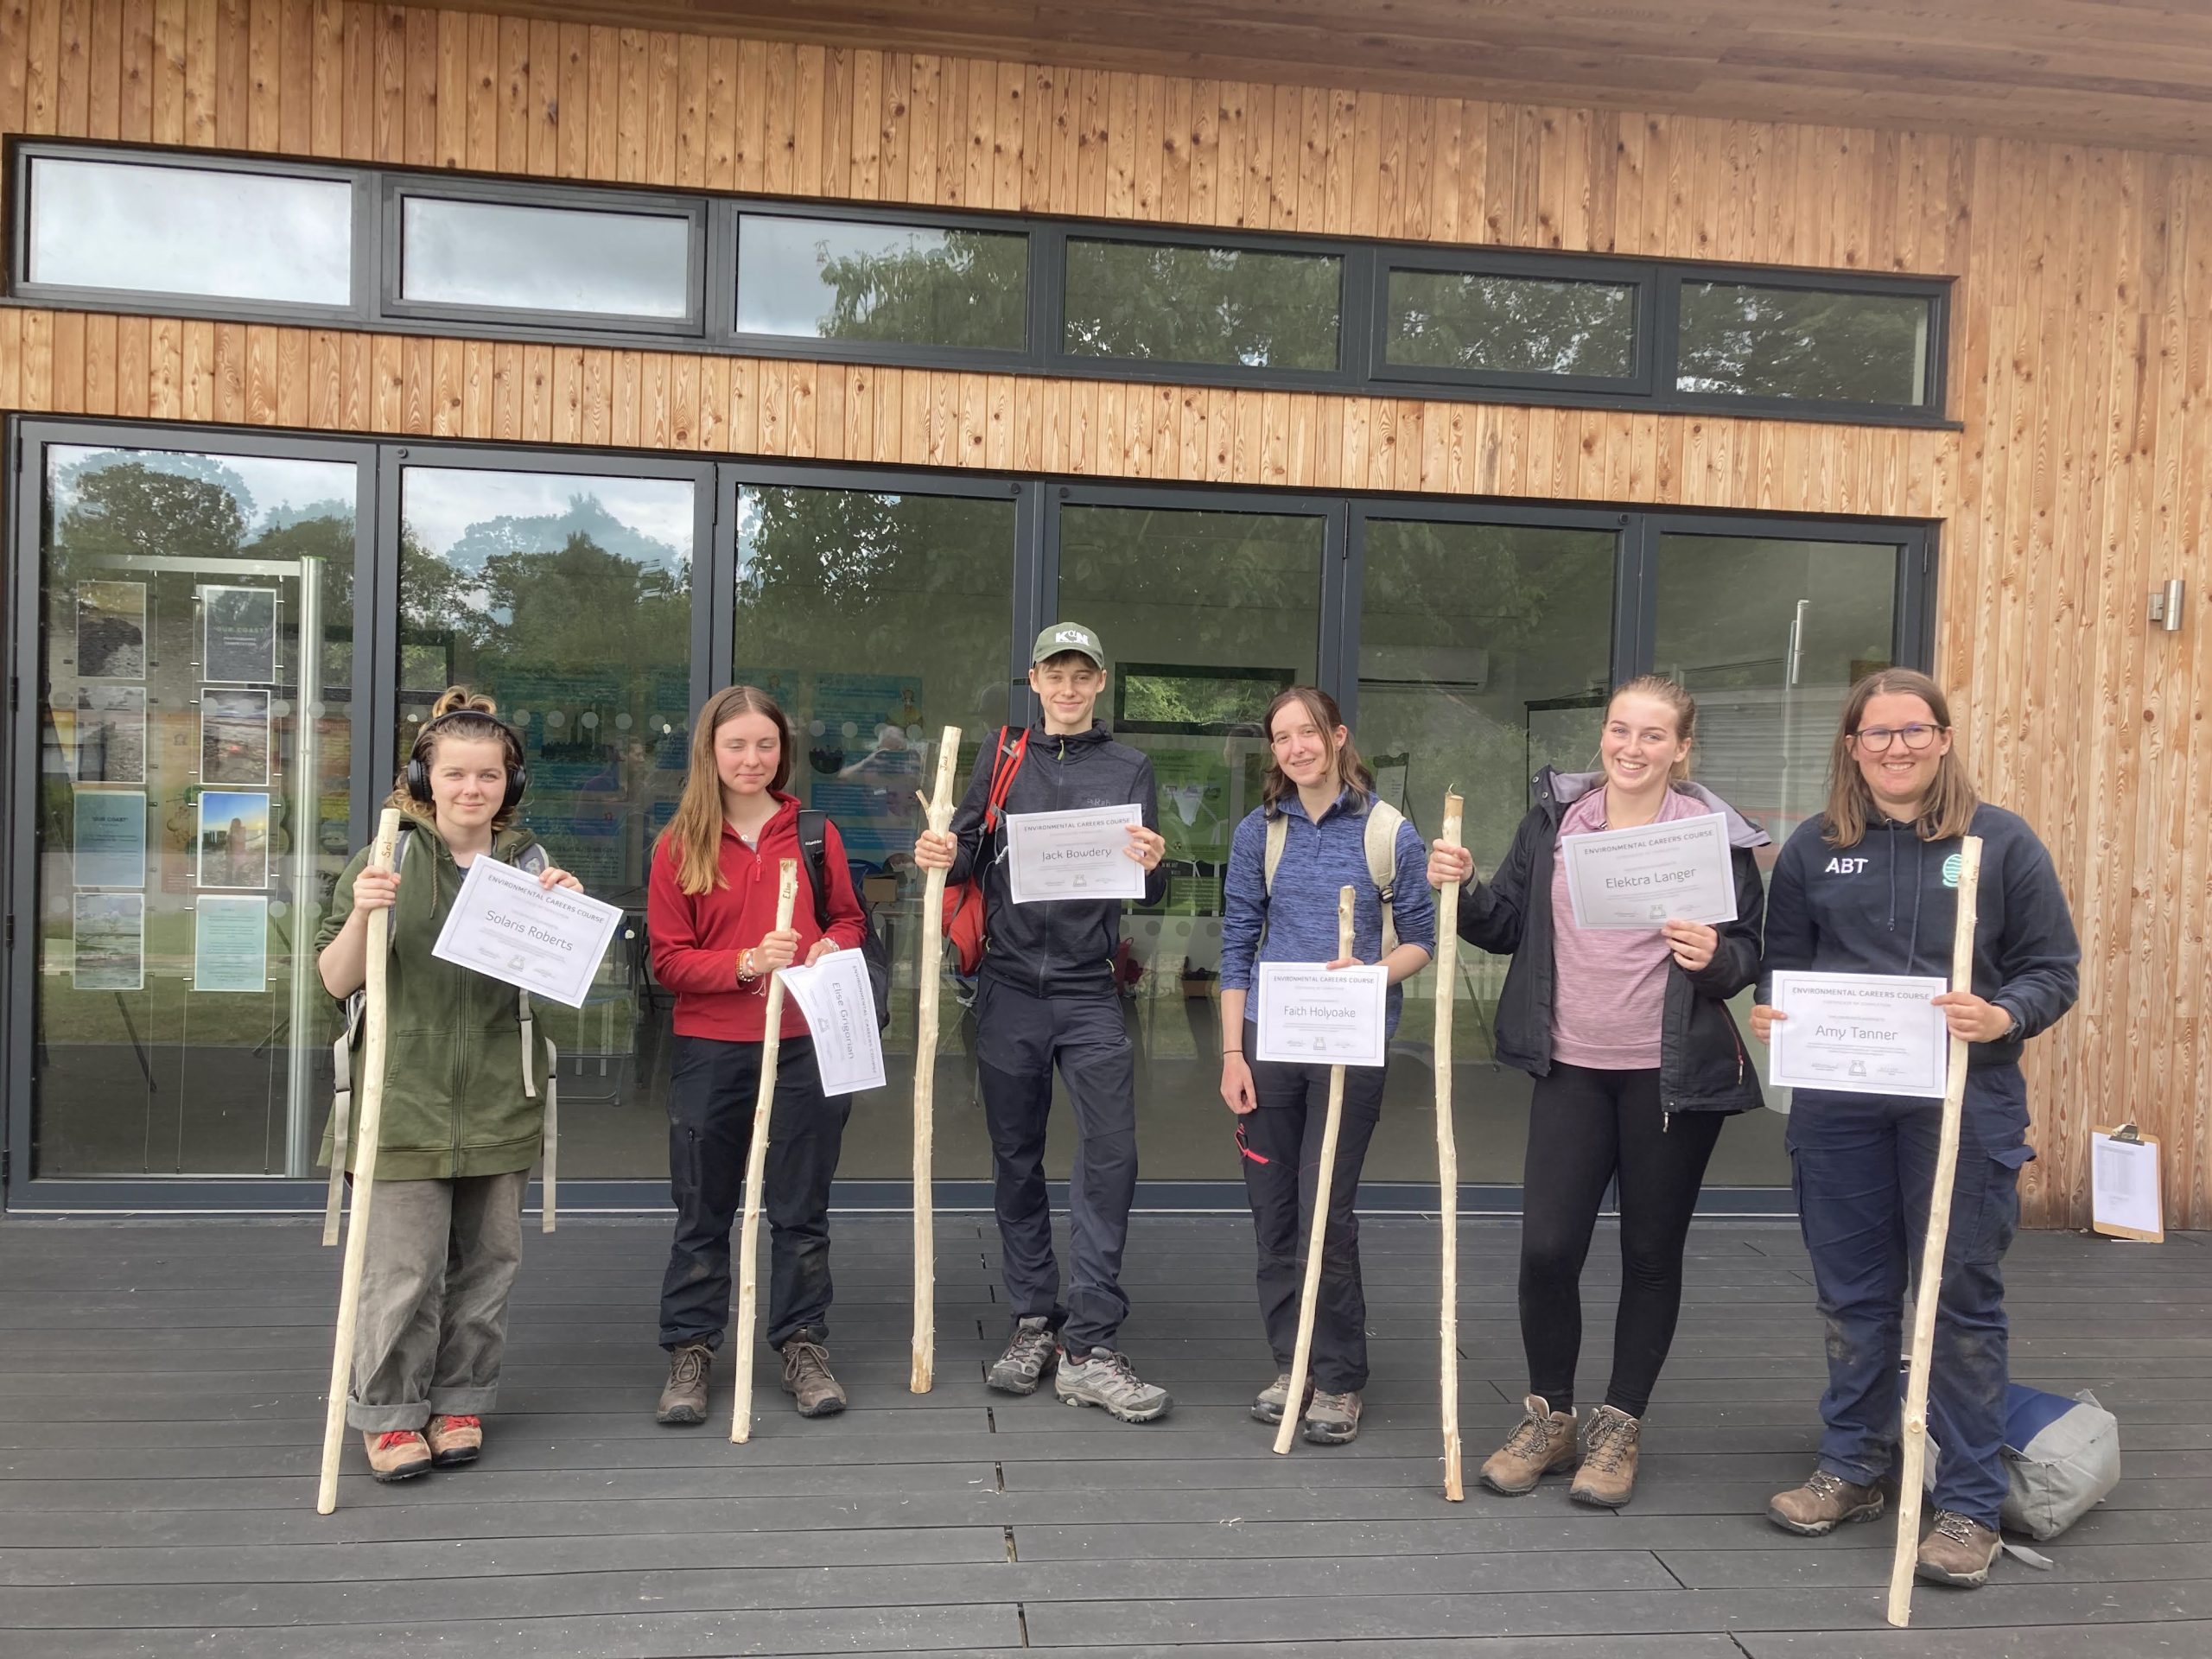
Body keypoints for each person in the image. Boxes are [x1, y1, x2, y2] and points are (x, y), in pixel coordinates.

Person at [1752, 669, 2078, 1587]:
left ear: (1941, 737)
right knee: (1851, 1295)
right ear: (1852, 747)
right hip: (1840, 1108)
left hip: (1962, 1108)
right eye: (1876, 733)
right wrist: (1776, 1014)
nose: (1895, 748)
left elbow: (2053, 968)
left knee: (1956, 1301)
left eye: (1912, 730)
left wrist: (2001, 1014)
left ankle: (1968, 1503)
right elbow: (1783, 968)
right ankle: (1854, 1465)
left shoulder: (2001, 842)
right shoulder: (1814, 848)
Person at [1427, 676, 1768, 1508]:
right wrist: (1461, 889)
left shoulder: (1710, 837)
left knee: (1649, 1255)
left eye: (1654, 736)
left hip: (1669, 1077)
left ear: (1682, 749)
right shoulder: (1558, 821)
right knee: (1548, 1249)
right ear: (1603, 737)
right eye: (1621, 730)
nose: (1632, 748)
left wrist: (1712, 958)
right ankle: (1551, 1415)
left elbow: (1748, 953)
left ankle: (1619, 1424)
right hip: (1571, 1064)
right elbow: (1504, 925)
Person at [315, 687, 582, 1482]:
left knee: (489, 1264)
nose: (473, 789)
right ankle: (391, 1412)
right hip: (401, 1099)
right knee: (401, 1269)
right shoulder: (388, 854)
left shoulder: (527, 867)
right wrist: (366, 913)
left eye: (489, 775)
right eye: (456, 773)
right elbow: (335, 981)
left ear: (512, 784)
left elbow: (560, 984)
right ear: (423, 777)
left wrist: (562, 917)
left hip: (503, 1095)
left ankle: (462, 1397)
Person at [912, 622, 1173, 1422]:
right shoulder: (1002, 757)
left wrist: (1155, 863)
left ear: (1100, 683)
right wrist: (935, 849)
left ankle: (1089, 1340)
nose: (1067, 688)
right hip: (1009, 990)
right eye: (1054, 674)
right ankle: (1034, 1319)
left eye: (1081, 675)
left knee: (1110, 1157)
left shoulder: (1131, 766)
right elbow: (962, 855)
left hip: (1092, 992)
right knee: (1016, 1158)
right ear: (1034, 680)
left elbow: (1151, 894)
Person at [1217, 687, 1434, 1446]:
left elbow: (1421, 939)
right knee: (1274, 1211)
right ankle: (1293, 1363)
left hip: (1349, 1045)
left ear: (1338, 737)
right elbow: (1237, 941)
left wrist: (1370, 974)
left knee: (1324, 1213)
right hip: (1269, 1047)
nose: (1296, 748)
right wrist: (1231, 1052)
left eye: (1308, 733)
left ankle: (1339, 1379)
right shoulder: (1260, 831)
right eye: (1281, 738)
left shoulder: (1388, 833)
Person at [648, 685, 868, 1426]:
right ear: (710, 751)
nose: (751, 758)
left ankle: (802, 1343)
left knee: (802, 1208)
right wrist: (745, 961)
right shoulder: (680, 843)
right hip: (713, 1049)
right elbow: (668, 963)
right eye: (736, 745)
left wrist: (831, 943)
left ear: (783, 751)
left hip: (806, 1042)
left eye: (765, 745)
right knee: (703, 1209)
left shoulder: (811, 832)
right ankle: (692, 1349)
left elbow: (849, 918)